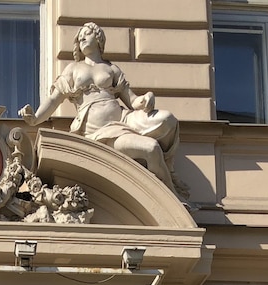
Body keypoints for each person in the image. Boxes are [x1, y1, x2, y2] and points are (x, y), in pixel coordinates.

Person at [19, 21, 187, 197]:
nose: (82, 38)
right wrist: (35, 118)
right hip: (97, 133)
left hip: (122, 121)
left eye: (87, 33)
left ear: (98, 38)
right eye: (80, 37)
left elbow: (132, 100)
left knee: (168, 119)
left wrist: (147, 98)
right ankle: (171, 197)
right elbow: (54, 100)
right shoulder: (73, 68)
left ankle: (168, 185)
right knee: (151, 148)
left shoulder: (111, 69)